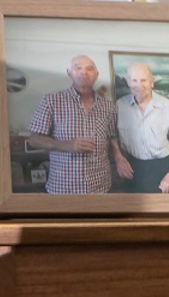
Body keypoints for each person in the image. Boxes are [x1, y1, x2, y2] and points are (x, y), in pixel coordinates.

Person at [27, 55, 124, 194]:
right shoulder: (51, 101)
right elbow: (34, 139)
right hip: (63, 188)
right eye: (78, 68)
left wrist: (119, 157)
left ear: (96, 75)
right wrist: (67, 145)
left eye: (89, 69)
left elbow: (111, 137)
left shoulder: (108, 106)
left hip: (101, 187)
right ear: (69, 73)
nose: (84, 72)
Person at [114, 63, 169, 193]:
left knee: (163, 211)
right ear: (128, 82)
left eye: (143, 80)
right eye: (134, 80)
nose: (139, 85)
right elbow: (112, 136)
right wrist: (119, 158)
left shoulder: (168, 107)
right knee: (134, 211)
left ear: (152, 82)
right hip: (133, 167)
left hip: (163, 168)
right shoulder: (120, 106)